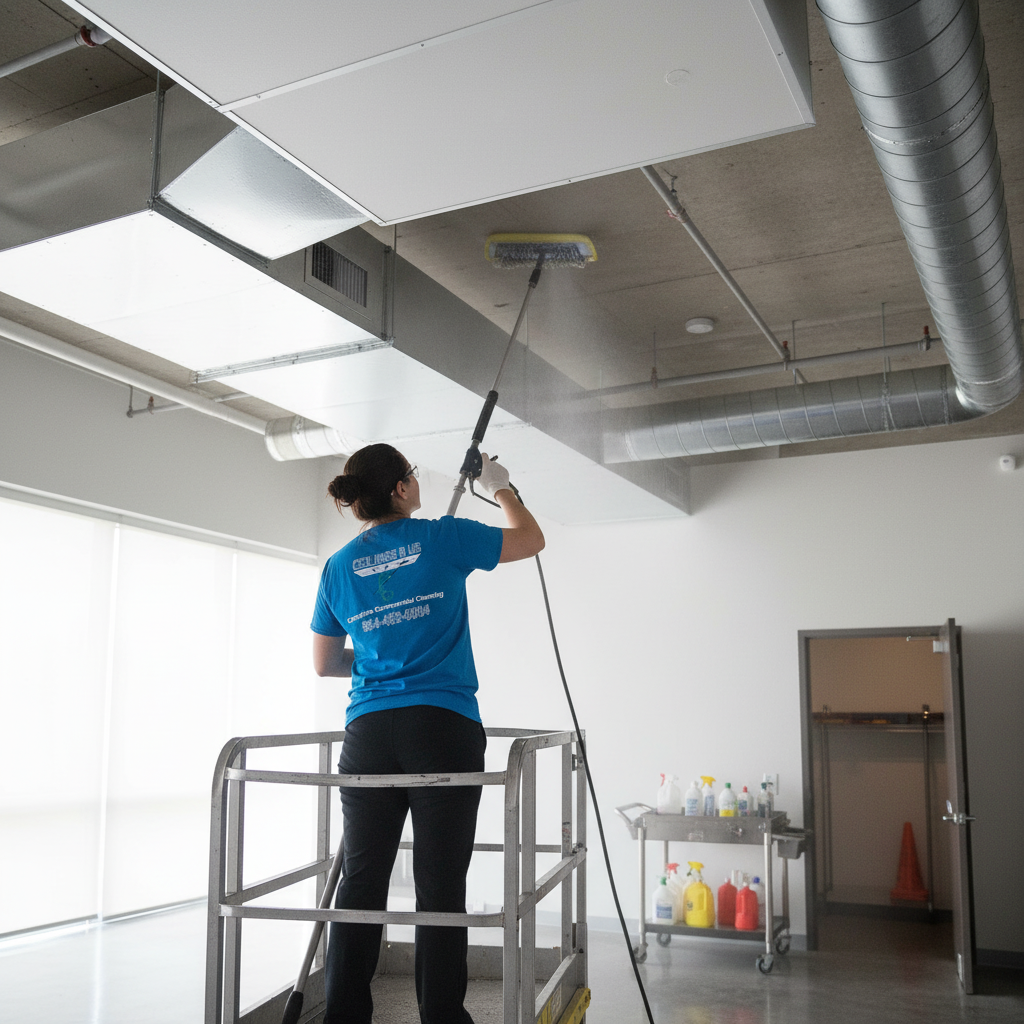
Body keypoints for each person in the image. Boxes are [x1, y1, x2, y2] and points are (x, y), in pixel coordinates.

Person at [311, 442, 544, 1024]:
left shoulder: (338, 567)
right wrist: (500, 485)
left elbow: (323, 662)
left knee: (361, 883)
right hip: (442, 727)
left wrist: (375, 659)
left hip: (367, 732)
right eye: (412, 475)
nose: (417, 481)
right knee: (439, 885)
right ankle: (441, 1016)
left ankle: (343, 1015)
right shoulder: (444, 537)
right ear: (400, 489)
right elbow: (530, 539)